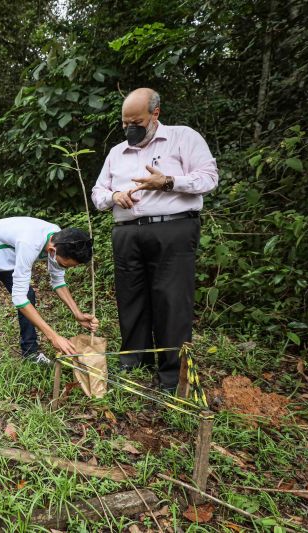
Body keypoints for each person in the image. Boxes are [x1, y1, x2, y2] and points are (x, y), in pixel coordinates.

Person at [92, 88, 218, 392]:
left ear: (155, 114)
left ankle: (171, 373)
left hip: (172, 230)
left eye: (136, 121)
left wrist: (168, 181)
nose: (129, 128)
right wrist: (114, 196)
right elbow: (98, 194)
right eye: (125, 123)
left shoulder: (183, 138)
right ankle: (134, 359)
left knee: (171, 300)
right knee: (130, 296)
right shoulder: (116, 153)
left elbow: (209, 178)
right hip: (126, 233)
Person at [0, 218, 99, 392]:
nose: (66, 269)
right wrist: (53, 336)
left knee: (29, 294)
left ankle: (30, 352)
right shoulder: (30, 243)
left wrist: (77, 314)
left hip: (6, 257)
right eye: (65, 265)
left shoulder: (59, 238)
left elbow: (57, 281)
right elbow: (18, 300)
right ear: (51, 251)